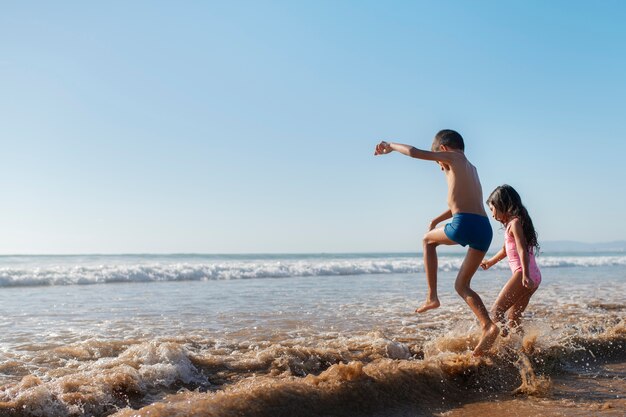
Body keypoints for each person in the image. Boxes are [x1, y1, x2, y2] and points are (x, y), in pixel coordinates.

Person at [374, 129, 499, 356]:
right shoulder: (471, 168)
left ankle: (432, 296)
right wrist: (436, 219)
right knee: (462, 285)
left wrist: (390, 145)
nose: (440, 167)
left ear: (443, 150)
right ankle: (488, 326)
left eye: (438, 162)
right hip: (483, 228)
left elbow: (413, 152)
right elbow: (459, 204)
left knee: (427, 241)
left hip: (465, 224)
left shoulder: (452, 157)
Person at [481, 185, 541, 336]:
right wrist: (490, 262)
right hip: (534, 276)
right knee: (513, 319)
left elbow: (522, 250)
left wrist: (525, 275)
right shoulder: (515, 223)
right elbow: (504, 251)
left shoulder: (514, 223)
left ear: (502, 205)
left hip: (524, 274)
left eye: (492, 209)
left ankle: (504, 347)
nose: (492, 215)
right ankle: (525, 348)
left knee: (496, 311)